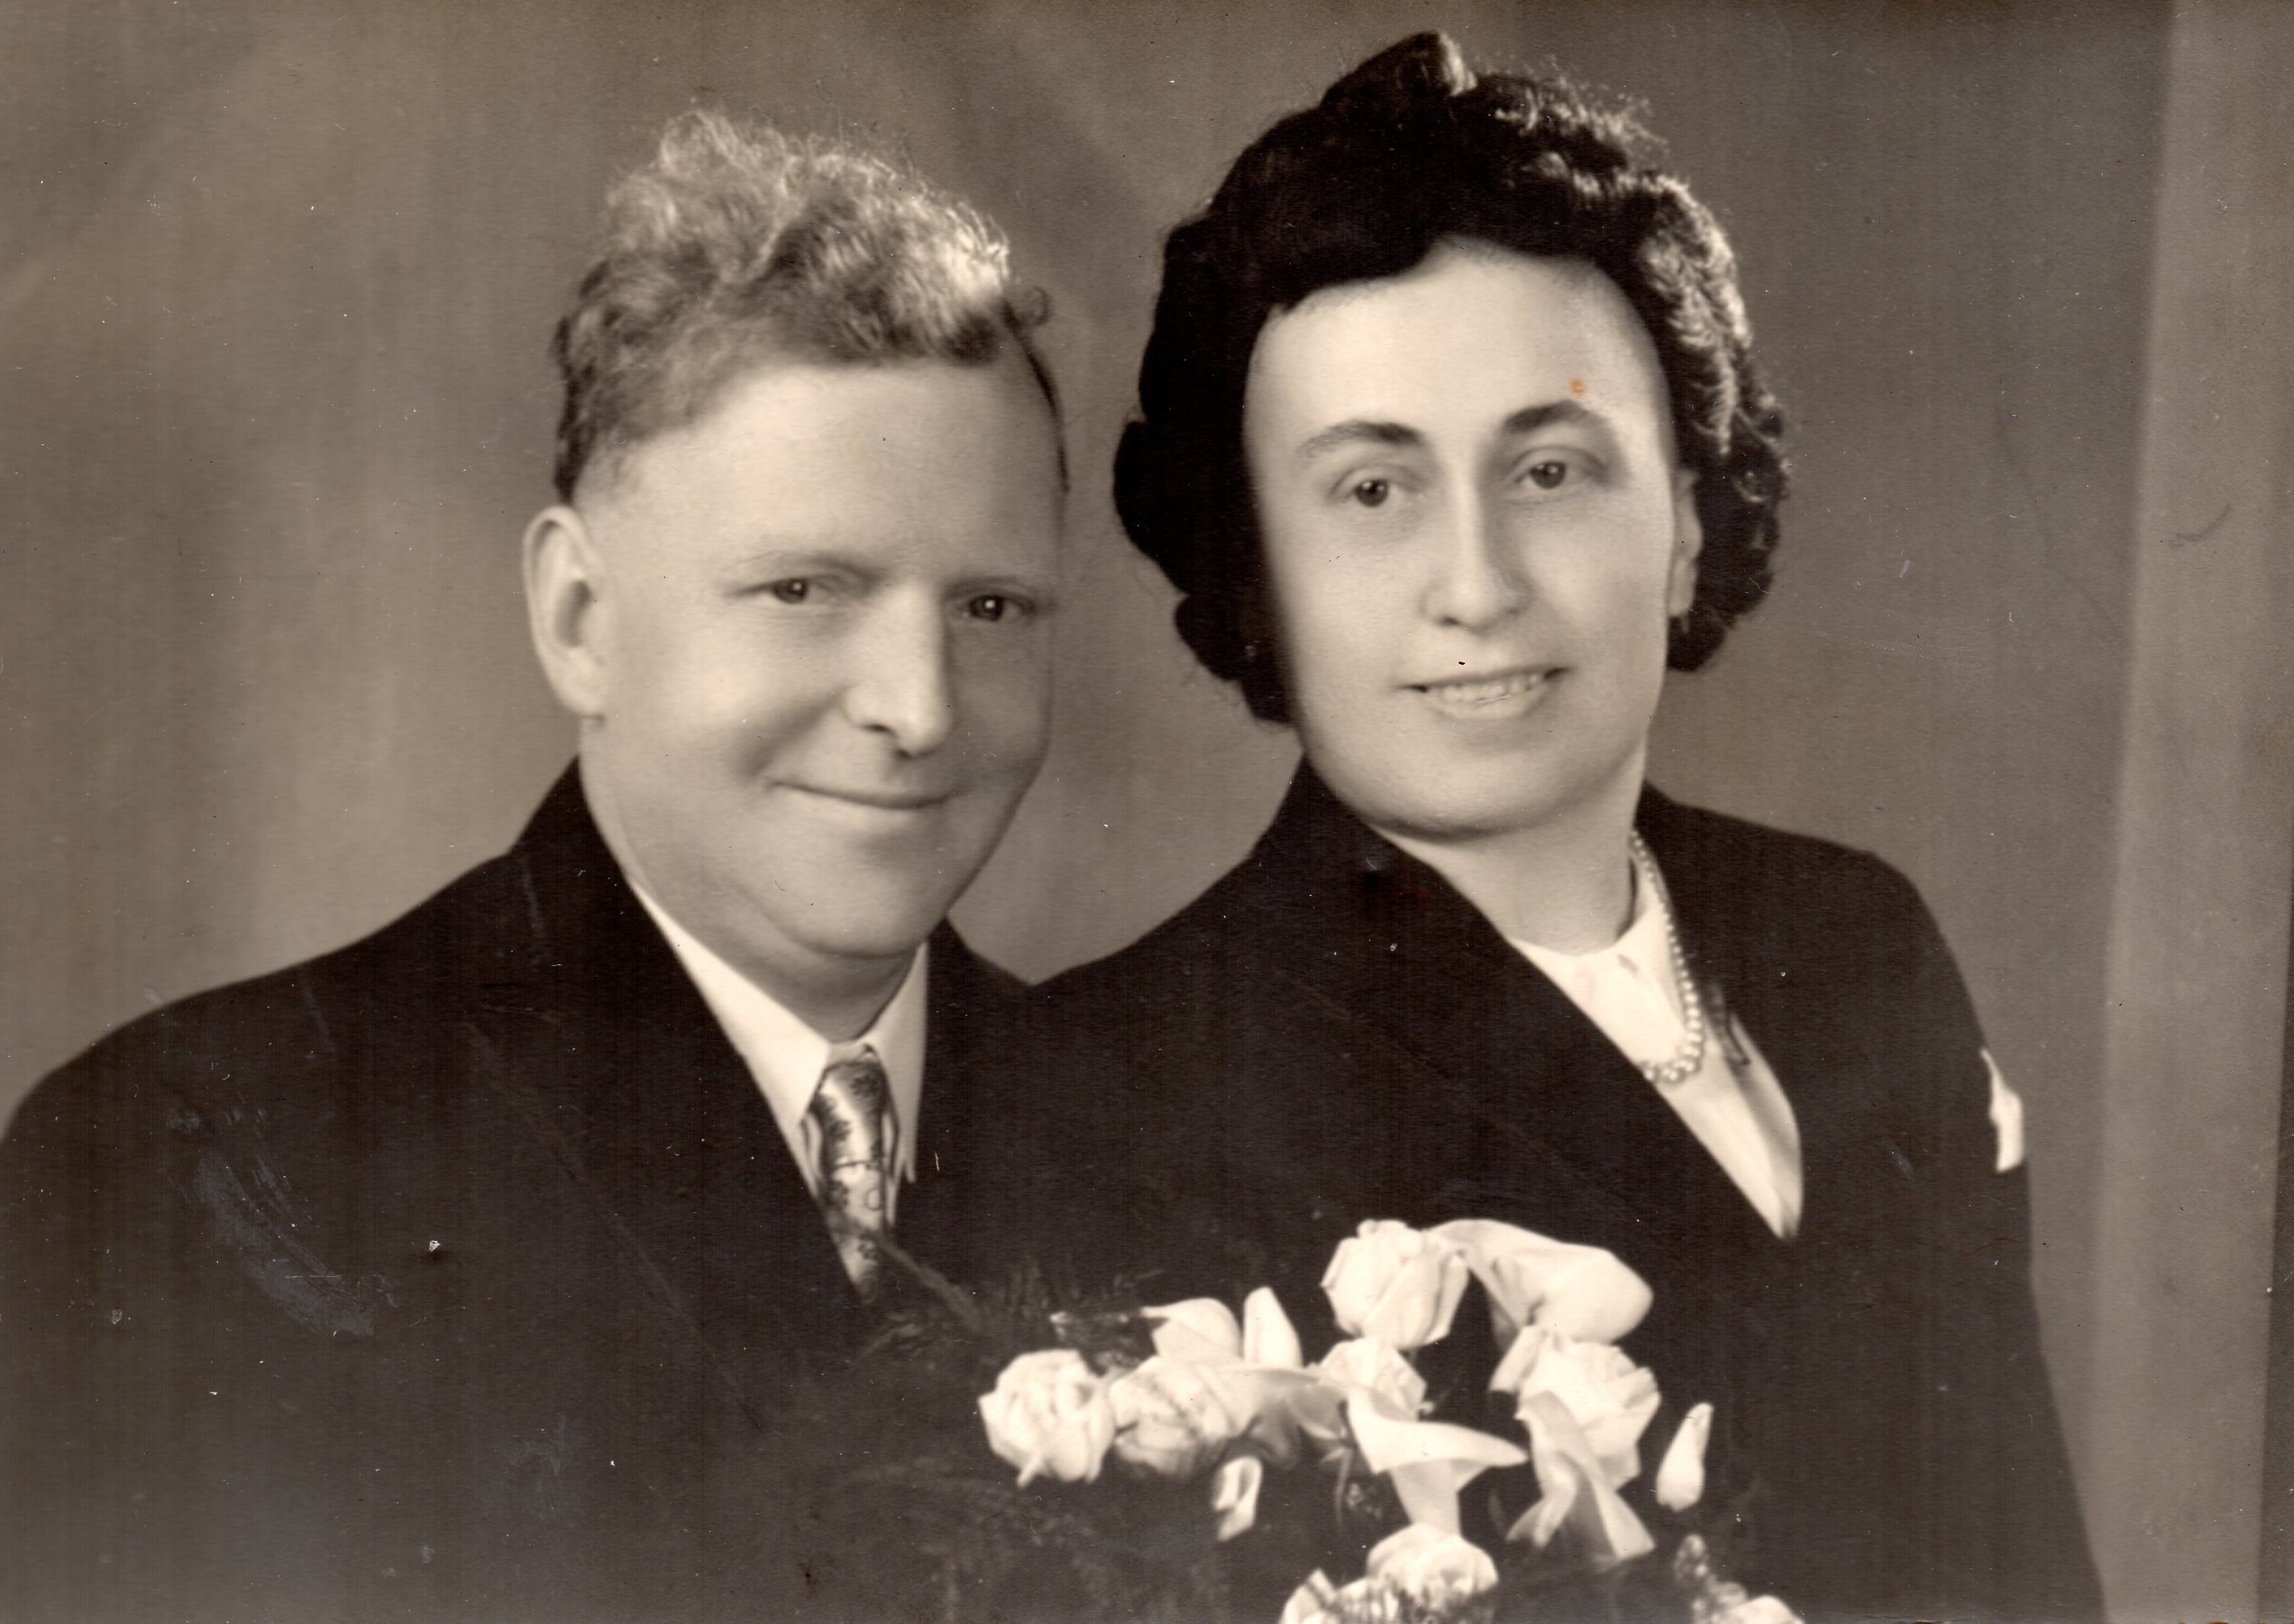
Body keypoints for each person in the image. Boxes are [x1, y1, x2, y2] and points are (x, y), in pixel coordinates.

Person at [1035, 33, 2101, 1623]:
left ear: (1684, 522)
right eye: (1372, 490)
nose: (1476, 583)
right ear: (1249, 575)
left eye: (1549, 467)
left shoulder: (1851, 933)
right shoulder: (1118, 1075)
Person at [0, 111, 1066, 1620]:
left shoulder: (1167, 1124)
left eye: (992, 607)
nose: (920, 706)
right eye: (803, 588)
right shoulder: (191, 1154)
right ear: (579, 617)